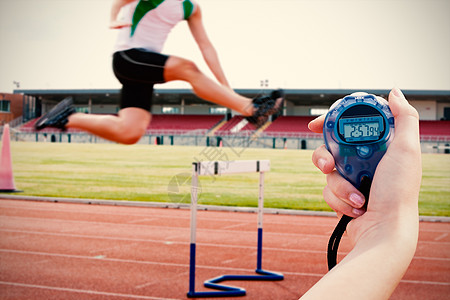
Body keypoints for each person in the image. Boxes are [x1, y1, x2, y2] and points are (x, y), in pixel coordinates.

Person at [35, 0, 283, 144]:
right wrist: (113, 17)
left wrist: (227, 91)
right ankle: (251, 109)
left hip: (144, 69)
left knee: (130, 132)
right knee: (188, 68)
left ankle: (67, 117)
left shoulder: (191, 7)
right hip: (128, 57)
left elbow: (206, 46)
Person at [301, 88, 422, 299]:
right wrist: (385, 232)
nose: (362, 145)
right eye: (354, 131)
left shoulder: (339, 121)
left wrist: (384, 228)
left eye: (366, 129)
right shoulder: (374, 120)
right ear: (335, 130)